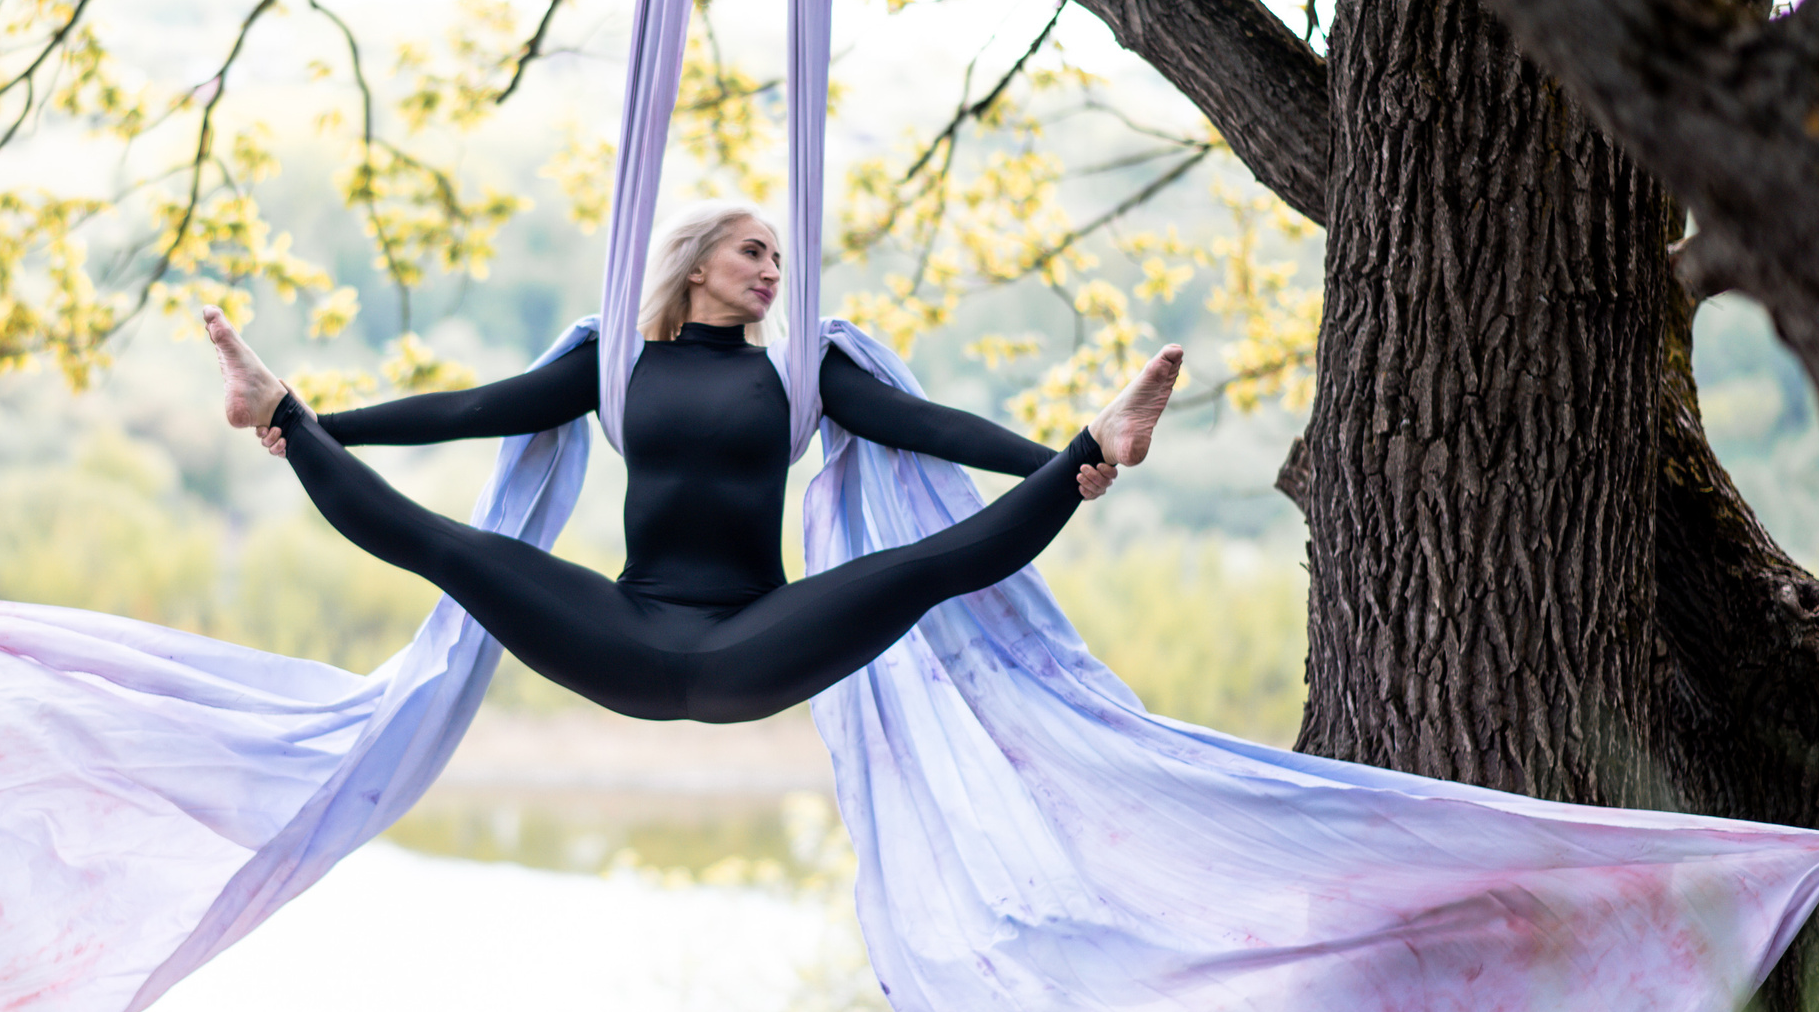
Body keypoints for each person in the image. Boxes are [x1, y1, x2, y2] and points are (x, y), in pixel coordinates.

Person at [202, 199, 1183, 722]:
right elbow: (471, 407)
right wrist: (321, 423)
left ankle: (1100, 435)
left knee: (923, 569)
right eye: (752, 252)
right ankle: (276, 401)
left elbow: (929, 426)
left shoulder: (803, 374)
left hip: (756, 638)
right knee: (449, 547)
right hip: (623, 633)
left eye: (778, 259)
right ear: (698, 262)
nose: (770, 270)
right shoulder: (615, 363)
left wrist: (1059, 463)